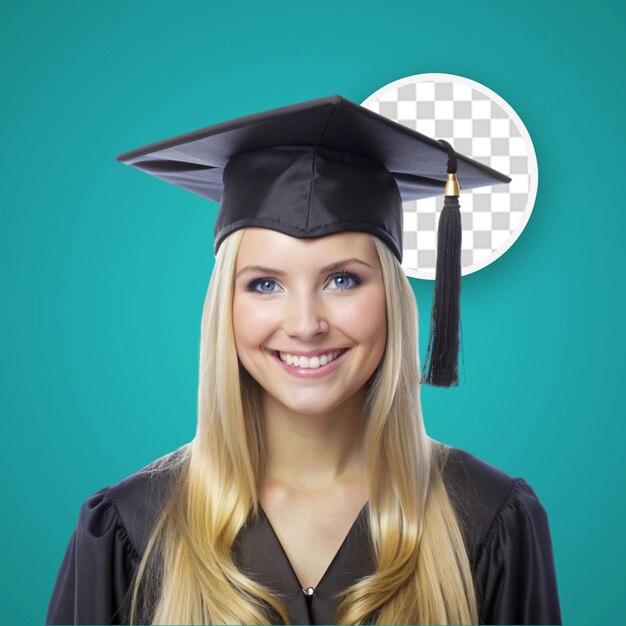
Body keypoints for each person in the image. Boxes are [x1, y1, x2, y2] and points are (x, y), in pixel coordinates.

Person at [46, 95, 562, 625]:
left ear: (392, 299)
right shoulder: (133, 529)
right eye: (265, 284)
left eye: (343, 280)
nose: (305, 323)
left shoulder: (486, 518)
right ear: (225, 306)